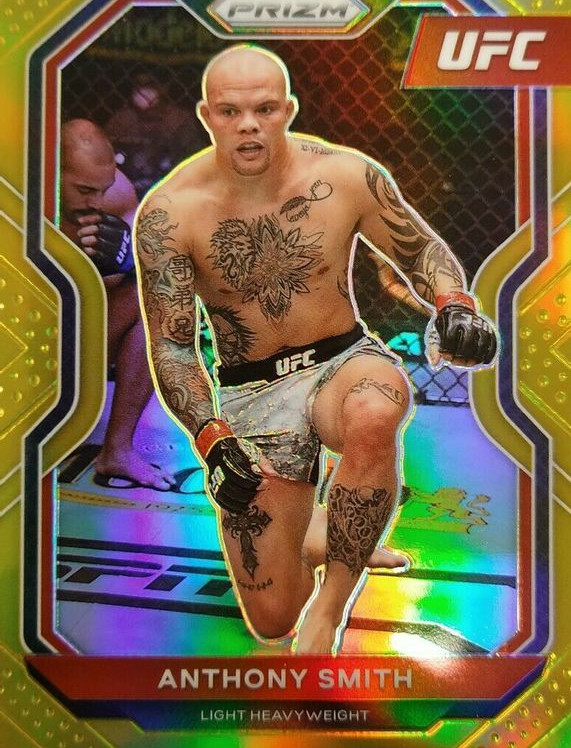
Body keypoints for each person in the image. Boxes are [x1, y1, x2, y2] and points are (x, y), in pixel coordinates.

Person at [134, 46, 497, 654]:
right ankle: (320, 532)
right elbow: (172, 346)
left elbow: (419, 249)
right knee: (272, 618)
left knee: (377, 408)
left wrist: (454, 302)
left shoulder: (345, 175)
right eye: (230, 111)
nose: (248, 125)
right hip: (252, 390)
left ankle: (332, 605)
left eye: (264, 108)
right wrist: (211, 439)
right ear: (206, 115)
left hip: (342, 360)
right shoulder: (170, 214)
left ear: (288, 110)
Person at [60, 119, 174, 490]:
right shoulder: (12, 194)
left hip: (68, 346)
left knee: (157, 297)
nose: (95, 202)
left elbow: (115, 288)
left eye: (102, 189)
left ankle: (118, 450)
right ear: (47, 170)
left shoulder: (118, 195)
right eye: (84, 190)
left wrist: (124, 261)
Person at [105, 70, 204, 199]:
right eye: (139, 85)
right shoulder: (122, 119)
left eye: (149, 85)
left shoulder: (178, 119)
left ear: (163, 88)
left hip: (169, 184)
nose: (143, 90)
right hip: (128, 183)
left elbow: (194, 156)